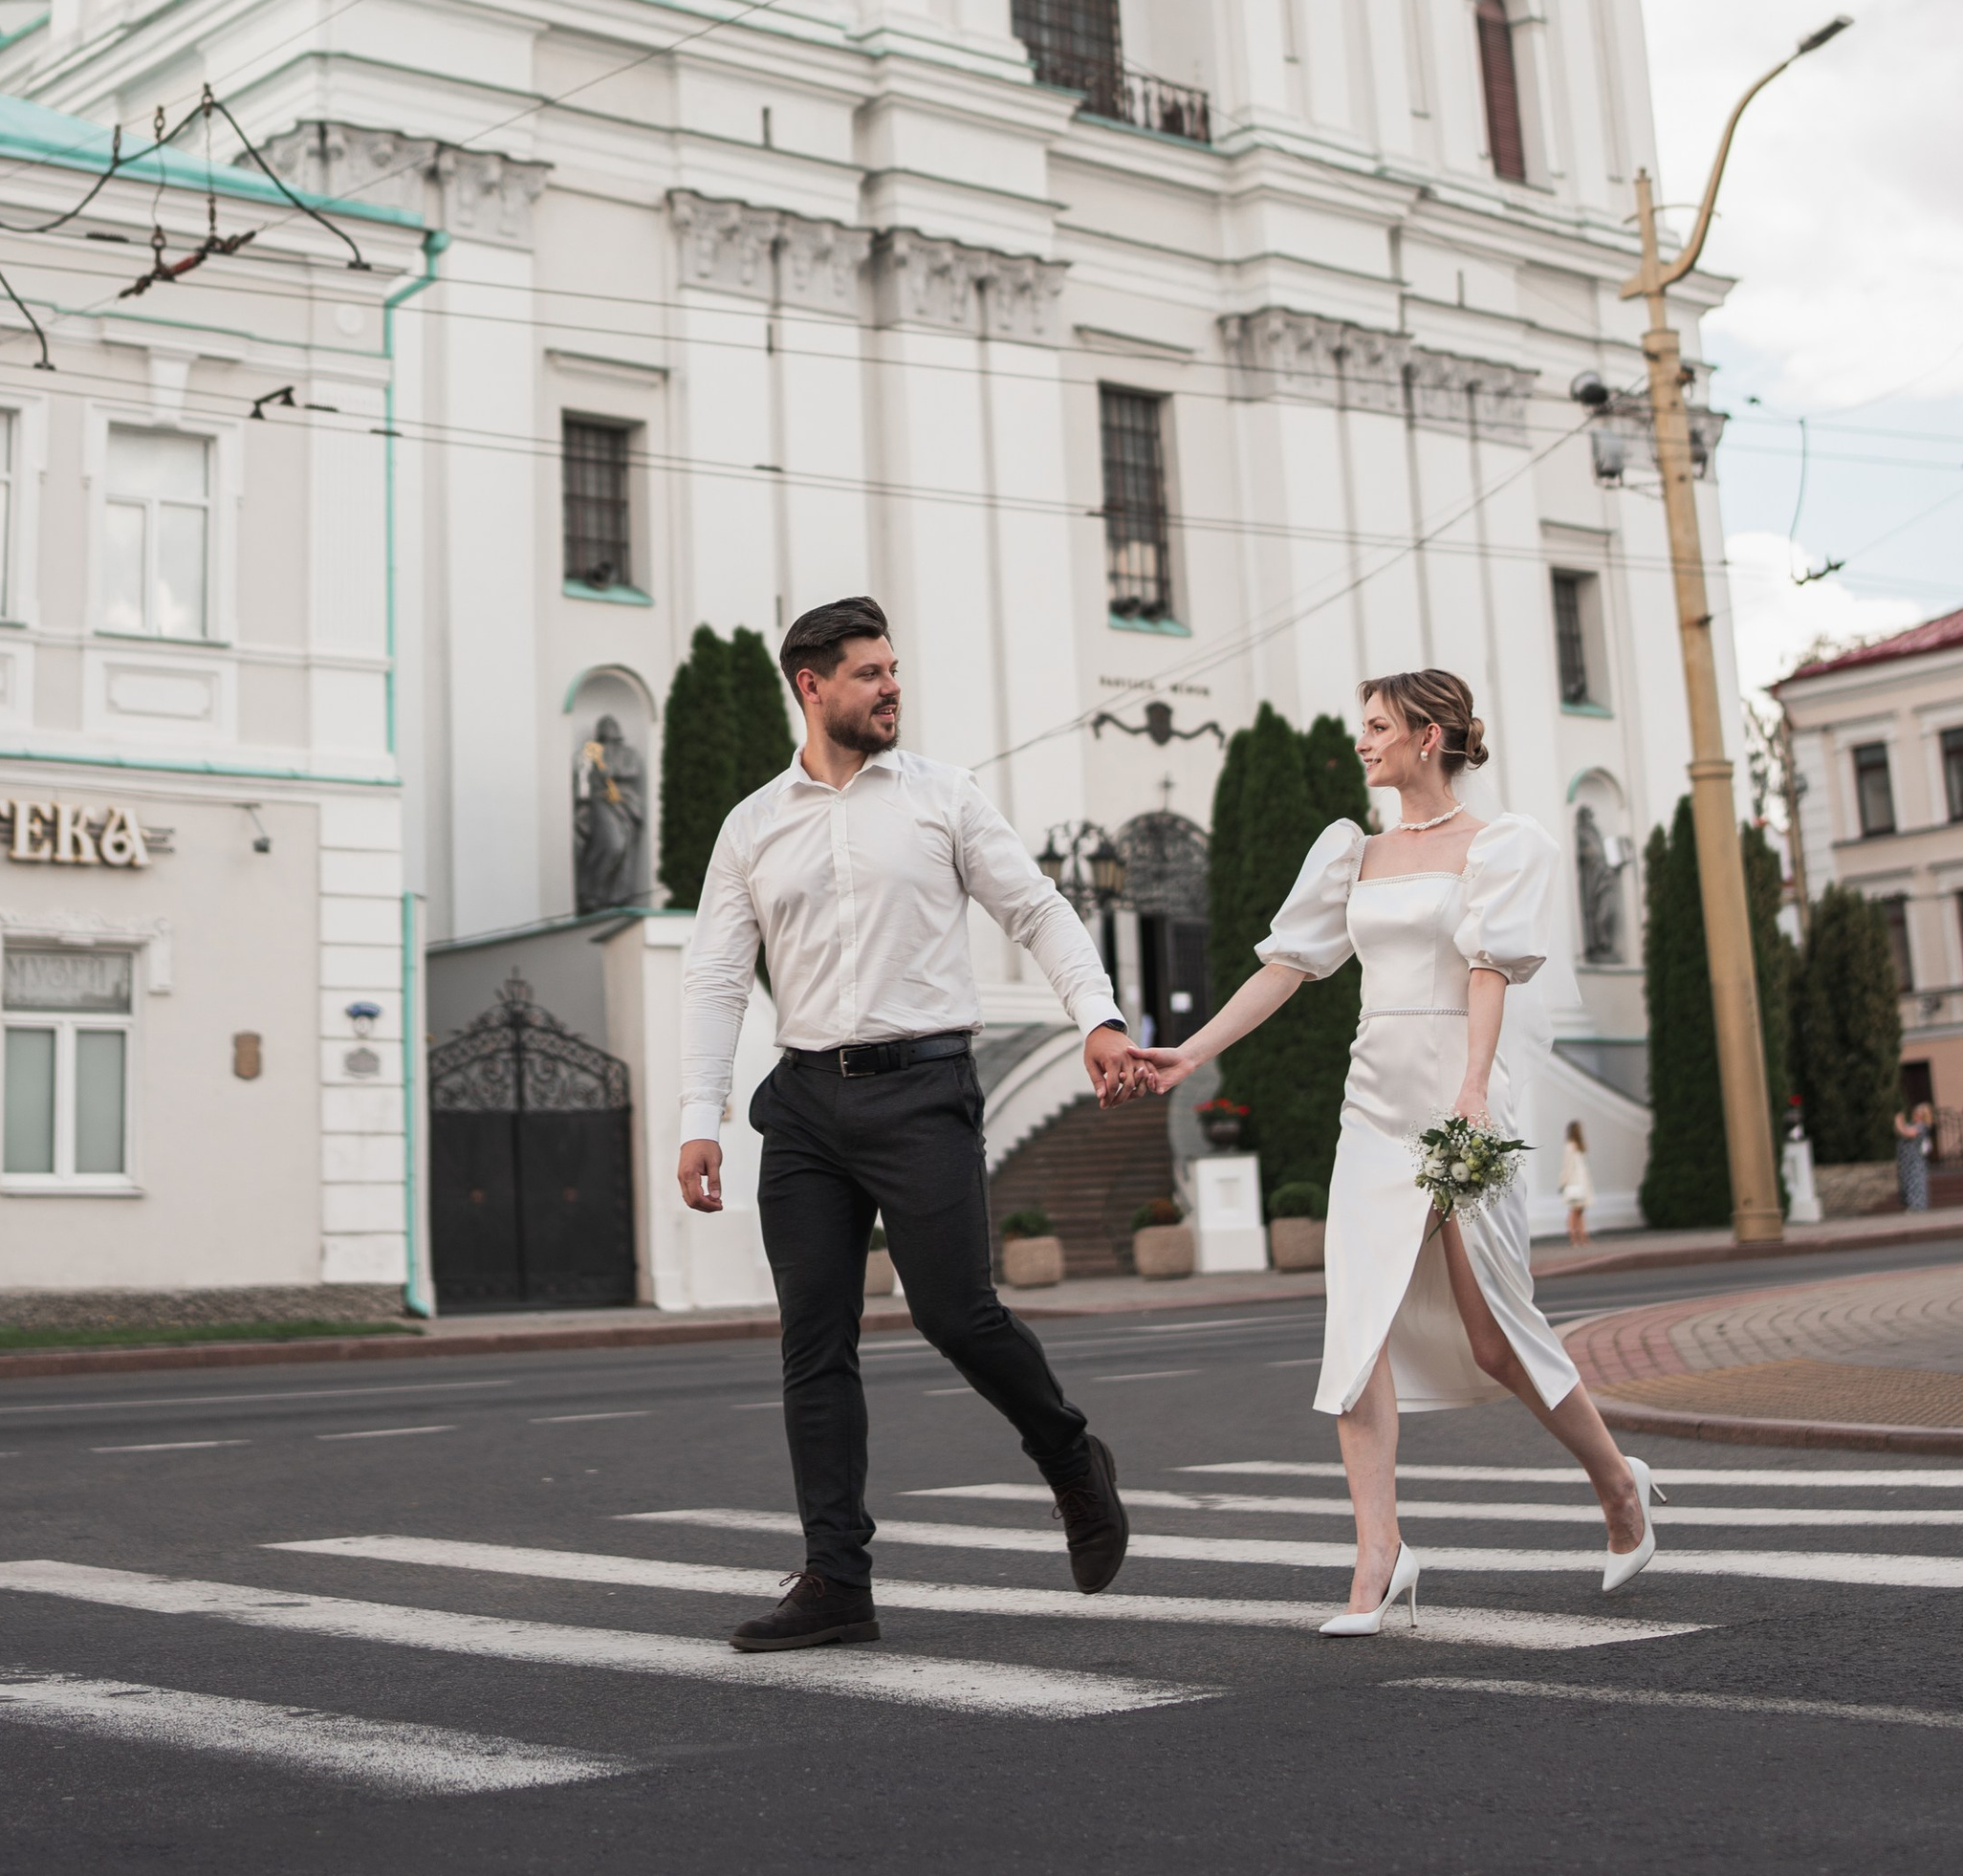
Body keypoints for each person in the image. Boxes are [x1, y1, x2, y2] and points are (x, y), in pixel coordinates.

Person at [678, 595, 1146, 1652]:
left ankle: (1068, 1455)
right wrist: (700, 1116)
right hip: (804, 1103)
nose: (892, 687)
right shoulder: (753, 824)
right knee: (814, 1344)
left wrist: (1099, 1018)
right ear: (811, 687)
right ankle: (836, 1580)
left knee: (955, 1314)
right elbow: (714, 976)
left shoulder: (944, 796)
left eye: (893, 669)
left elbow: (1037, 910)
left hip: (923, 1090)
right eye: (869, 673)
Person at [1145, 667, 1659, 1626]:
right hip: (1373, 1107)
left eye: (1378, 726)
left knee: (1494, 1338)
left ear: (1429, 736)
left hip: (1459, 1104)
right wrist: (1190, 1052)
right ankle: (1378, 1555)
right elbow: (1287, 966)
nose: (1362, 740)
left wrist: (1473, 1088)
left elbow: (1488, 970)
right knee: (1356, 1332)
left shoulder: (1499, 845)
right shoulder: (1353, 851)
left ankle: (1618, 1486)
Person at [1893, 1099, 1934, 1211]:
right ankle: (1910, 1204)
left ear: (1922, 1116)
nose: (1914, 1115)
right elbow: (1901, 1131)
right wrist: (1900, 1124)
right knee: (1906, 1183)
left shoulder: (1921, 1127)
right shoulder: (1912, 1125)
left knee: (1915, 1182)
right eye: (1914, 1113)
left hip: (1914, 1162)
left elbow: (1907, 1133)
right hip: (1906, 1162)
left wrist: (1899, 1122)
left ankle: (1917, 1205)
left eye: (1917, 1114)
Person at [1560, 1117, 1593, 1247]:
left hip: (1581, 1182)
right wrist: (1564, 1182)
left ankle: (1582, 1235)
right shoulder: (1570, 1147)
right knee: (1574, 1211)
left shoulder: (1579, 1147)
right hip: (1574, 1183)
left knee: (1580, 1210)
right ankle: (1574, 1237)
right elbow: (1567, 1167)